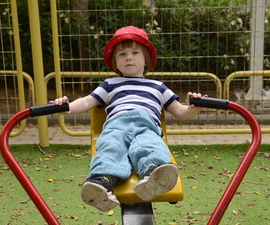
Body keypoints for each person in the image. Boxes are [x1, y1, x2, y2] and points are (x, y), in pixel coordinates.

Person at [51, 26, 205, 211]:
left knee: (149, 145)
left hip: (146, 125)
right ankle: (101, 182)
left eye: (134, 52)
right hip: (117, 125)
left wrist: (194, 108)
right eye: (122, 54)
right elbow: (86, 102)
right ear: (115, 63)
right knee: (111, 146)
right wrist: (67, 107)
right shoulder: (110, 84)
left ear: (146, 59)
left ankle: (154, 174)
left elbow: (180, 112)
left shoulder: (158, 87)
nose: (128, 57)